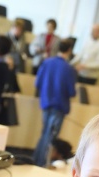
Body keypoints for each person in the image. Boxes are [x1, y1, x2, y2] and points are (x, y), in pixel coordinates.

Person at [32, 39, 76, 168]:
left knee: (45, 133)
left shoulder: (46, 63)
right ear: (69, 51)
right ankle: (41, 164)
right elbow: (71, 92)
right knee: (50, 136)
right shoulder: (69, 69)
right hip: (59, 105)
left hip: (46, 103)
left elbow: (37, 83)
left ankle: (36, 159)